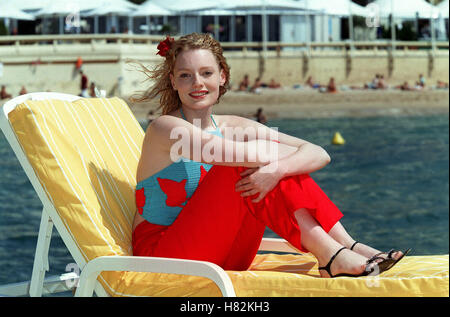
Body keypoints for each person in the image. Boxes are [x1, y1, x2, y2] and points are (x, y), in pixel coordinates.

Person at [130, 33, 409, 278]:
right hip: (164, 256)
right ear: (173, 81)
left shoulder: (235, 125)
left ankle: (347, 246)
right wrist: (280, 163)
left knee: (269, 166)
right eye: (185, 75)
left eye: (206, 73)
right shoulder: (165, 128)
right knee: (245, 162)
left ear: (222, 76)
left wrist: (278, 169)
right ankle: (331, 254)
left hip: (228, 253)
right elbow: (260, 155)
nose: (197, 83)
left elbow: (319, 153)